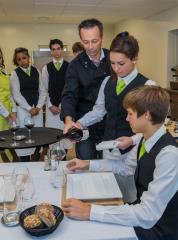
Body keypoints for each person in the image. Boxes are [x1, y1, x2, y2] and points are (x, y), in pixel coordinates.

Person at [62, 85, 178, 240]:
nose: (126, 118)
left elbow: (148, 214)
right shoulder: (144, 139)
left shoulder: (169, 155)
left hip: (159, 230)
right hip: (142, 215)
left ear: (148, 116)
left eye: (130, 114)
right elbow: (125, 167)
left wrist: (90, 211)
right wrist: (88, 164)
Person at [77, 31, 156, 161]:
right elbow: (99, 111)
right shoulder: (107, 81)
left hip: (133, 151)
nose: (116, 69)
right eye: (112, 63)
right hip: (108, 147)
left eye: (121, 63)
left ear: (135, 58)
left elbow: (154, 126)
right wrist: (79, 124)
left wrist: (132, 140)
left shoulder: (148, 86)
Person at [61, 18, 111, 159]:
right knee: (84, 165)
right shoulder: (75, 65)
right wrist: (69, 120)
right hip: (83, 123)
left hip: (109, 123)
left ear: (102, 37)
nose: (90, 47)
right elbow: (69, 94)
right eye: (85, 42)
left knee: (107, 166)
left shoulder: (112, 59)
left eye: (94, 41)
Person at [10, 47, 46, 160]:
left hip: (37, 110)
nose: (22, 61)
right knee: (25, 137)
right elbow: (16, 94)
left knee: (37, 136)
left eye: (24, 58)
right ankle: (25, 162)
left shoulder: (36, 71)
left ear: (28, 58)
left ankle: (36, 161)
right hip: (23, 111)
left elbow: (42, 91)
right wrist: (29, 108)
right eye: (19, 59)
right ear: (17, 61)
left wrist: (38, 107)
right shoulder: (14, 74)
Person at [42, 39, 69, 131]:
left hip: (65, 106)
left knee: (65, 134)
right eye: (53, 49)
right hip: (51, 107)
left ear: (62, 49)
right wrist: (50, 105)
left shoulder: (70, 66)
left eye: (58, 48)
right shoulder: (46, 68)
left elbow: (71, 88)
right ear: (51, 51)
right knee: (52, 133)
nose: (56, 51)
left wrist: (64, 105)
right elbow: (44, 89)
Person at [0, 48, 16, 162]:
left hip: (8, 111)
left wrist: (13, 110)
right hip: (1, 113)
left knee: (8, 140)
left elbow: (10, 93)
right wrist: (5, 113)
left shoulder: (4, 71)